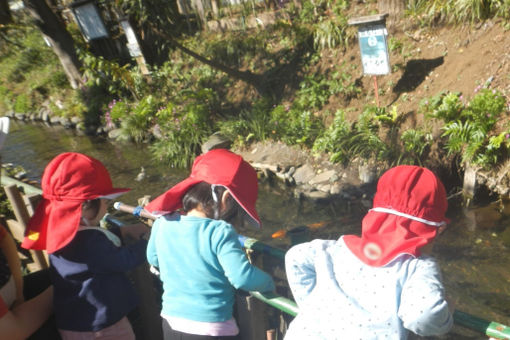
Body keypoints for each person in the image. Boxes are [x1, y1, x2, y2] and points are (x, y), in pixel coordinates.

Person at [284, 165, 454, 340]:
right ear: (437, 230)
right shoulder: (417, 267)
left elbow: (294, 257)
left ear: (373, 214)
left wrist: (314, 307)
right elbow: (423, 316)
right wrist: (446, 314)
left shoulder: (332, 250)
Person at [145, 148, 275, 340]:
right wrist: (269, 282)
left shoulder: (163, 222)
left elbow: (153, 258)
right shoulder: (219, 231)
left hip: (171, 323)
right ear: (226, 199)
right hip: (212, 330)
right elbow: (242, 278)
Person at [21, 152, 149, 340]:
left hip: (73, 322)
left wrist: (123, 231)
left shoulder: (59, 233)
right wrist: (148, 243)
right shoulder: (90, 242)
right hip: (103, 326)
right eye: (105, 201)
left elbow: (92, 253)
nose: (106, 207)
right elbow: (124, 260)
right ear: (85, 207)